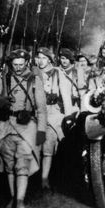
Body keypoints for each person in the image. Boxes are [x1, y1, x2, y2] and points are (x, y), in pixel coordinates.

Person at [0, 49, 47, 208]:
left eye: (21, 64)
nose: (18, 68)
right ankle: (13, 198)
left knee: (23, 163)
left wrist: (41, 132)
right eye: (15, 65)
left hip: (27, 128)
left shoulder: (35, 81)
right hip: (6, 126)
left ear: (27, 63)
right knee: (9, 164)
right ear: (10, 64)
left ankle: (20, 200)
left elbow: (41, 109)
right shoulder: (5, 78)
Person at [35, 47, 72, 190]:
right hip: (36, 113)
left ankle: (44, 178)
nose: (41, 60)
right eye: (39, 57)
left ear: (49, 60)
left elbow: (66, 96)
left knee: (48, 145)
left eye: (44, 58)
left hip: (52, 114)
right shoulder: (33, 72)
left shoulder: (57, 73)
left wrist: (68, 116)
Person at [57, 48, 86, 113]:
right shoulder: (57, 71)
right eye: (62, 58)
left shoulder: (77, 71)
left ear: (70, 59)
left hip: (74, 106)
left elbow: (82, 93)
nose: (64, 61)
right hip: (59, 106)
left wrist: (83, 112)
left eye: (67, 58)